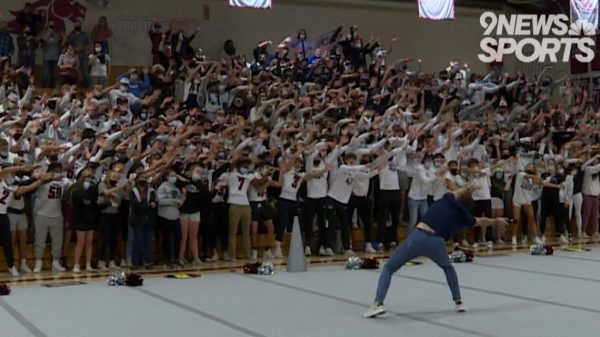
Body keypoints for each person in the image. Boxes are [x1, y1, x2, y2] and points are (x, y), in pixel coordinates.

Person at [364, 184, 508, 318]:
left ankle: (377, 303)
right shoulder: (464, 216)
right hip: (437, 243)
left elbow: (457, 191)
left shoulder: (448, 199)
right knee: (448, 268)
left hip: (418, 236)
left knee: (389, 268)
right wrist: (496, 221)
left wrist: (470, 188)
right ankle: (459, 302)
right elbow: (481, 221)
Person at [70, 164, 102, 273]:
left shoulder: (93, 186)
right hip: (80, 215)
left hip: (90, 216)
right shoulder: (76, 186)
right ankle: (76, 264)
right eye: (86, 171)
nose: (88, 173)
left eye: (90, 171)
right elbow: (75, 198)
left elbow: (95, 200)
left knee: (89, 242)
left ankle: (88, 264)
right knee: (80, 242)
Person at [65, 19, 92, 87]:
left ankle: (87, 87)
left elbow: (89, 44)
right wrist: (73, 49)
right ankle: (73, 86)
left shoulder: (84, 34)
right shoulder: (71, 34)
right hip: (73, 56)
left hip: (83, 55)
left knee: (85, 72)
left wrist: (82, 48)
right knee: (73, 72)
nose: (77, 25)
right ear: (74, 25)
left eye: (78, 24)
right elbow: (67, 44)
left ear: (81, 25)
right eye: (76, 24)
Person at [40, 20, 63, 88]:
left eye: (53, 26)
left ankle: (51, 87)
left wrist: (64, 37)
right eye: (50, 25)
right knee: (46, 73)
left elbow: (60, 44)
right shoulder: (44, 33)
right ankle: (43, 87)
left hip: (55, 56)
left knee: (54, 74)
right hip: (47, 56)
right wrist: (48, 33)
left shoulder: (57, 34)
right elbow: (42, 42)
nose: (51, 27)